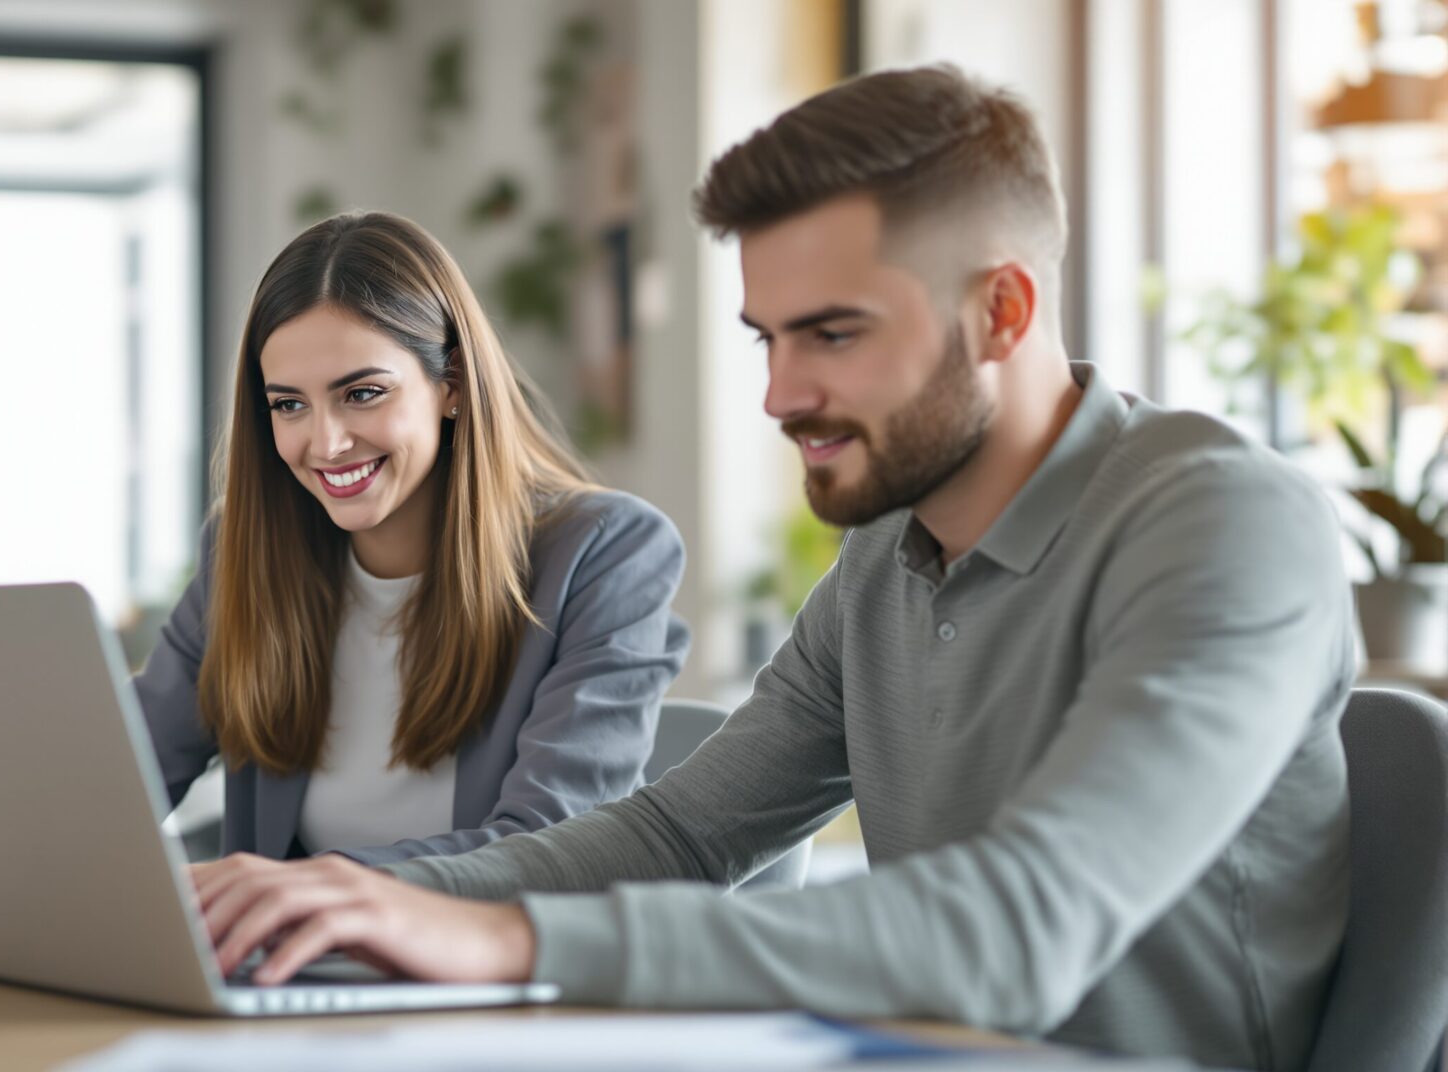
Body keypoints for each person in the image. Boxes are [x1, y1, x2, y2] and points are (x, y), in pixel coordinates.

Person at [186, 66, 1353, 1072]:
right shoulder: (888, 554)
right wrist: (376, 898)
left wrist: (511, 939)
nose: (780, 396)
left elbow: (1018, 931)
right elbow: (679, 837)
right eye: (768, 337)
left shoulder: (1225, 525)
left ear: (1002, 309)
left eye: (832, 334)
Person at [132, 211, 690, 865]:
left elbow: (552, 851)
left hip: (494, 965)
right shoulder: (245, 551)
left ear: (450, 385)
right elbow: (113, 781)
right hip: (288, 967)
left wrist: (307, 891)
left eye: (362, 393)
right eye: (288, 404)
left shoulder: (607, 554)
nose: (326, 443)